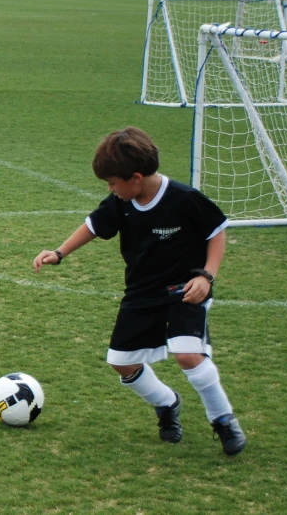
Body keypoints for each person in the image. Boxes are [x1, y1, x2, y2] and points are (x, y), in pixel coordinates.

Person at [33, 127, 246, 456]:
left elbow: (217, 231)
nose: (111, 190)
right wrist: (59, 253)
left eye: (113, 183)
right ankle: (166, 403)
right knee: (120, 361)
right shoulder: (121, 202)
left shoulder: (184, 198)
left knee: (187, 353)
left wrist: (207, 275)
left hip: (184, 289)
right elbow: (93, 225)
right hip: (141, 293)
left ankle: (223, 420)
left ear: (135, 178)